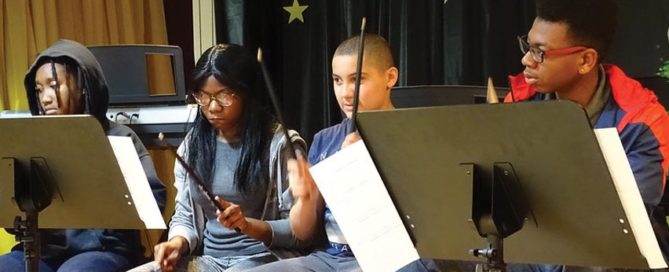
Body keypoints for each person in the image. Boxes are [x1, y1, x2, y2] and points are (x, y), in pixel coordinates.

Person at [248, 34, 440, 272]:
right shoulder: (325, 140)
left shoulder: (416, 137)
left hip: (395, 259)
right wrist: (305, 198)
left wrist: (360, 173)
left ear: (390, 77)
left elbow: (429, 225)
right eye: (338, 81)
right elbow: (303, 232)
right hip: (332, 259)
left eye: (357, 79)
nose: (345, 92)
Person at [505, 0, 669, 271]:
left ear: (585, 60)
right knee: (428, 260)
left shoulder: (642, 122)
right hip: (534, 243)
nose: (526, 60)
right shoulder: (520, 102)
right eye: (528, 46)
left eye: (539, 52)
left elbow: (625, 223)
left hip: (612, 252)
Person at [129, 43, 308, 272]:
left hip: (263, 261)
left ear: (247, 93)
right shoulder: (193, 145)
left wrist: (249, 225)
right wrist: (177, 243)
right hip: (208, 261)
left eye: (224, 96)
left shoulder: (280, 145)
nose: (213, 107)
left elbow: (300, 232)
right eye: (202, 96)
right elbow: (185, 214)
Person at [0, 39, 167, 271]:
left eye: (53, 85)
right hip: (43, 250)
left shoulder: (118, 137)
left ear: (83, 86)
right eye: (39, 90)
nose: (45, 97)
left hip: (104, 251)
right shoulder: (34, 141)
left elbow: (152, 200)